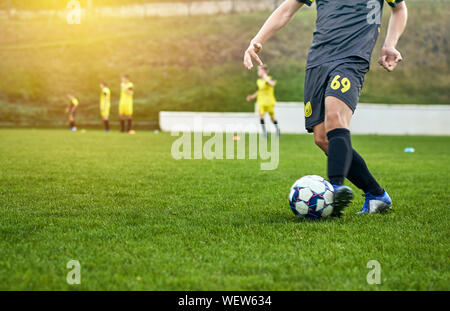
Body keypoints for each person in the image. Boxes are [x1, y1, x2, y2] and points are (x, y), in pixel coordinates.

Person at [243, 0, 407, 215]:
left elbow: (399, 8)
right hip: (317, 62)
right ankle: (376, 194)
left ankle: (336, 188)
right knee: (322, 138)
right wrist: (257, 40)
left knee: (335, 116)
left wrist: (389, 43)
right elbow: (286, 9)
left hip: (352, 59)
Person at [246, 65, 280, 138]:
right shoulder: (259, 81)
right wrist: (251, 97)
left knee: (272, 118)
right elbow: (259, 91)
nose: (258, 72)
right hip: (261, 102)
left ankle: (277, 129)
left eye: (259, 70)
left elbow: (272, 84)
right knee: (261, 116)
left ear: (264, 71)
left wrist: (265, 77)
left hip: (269, 101)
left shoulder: (270, 78)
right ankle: (264, 132)